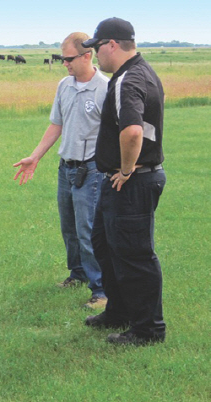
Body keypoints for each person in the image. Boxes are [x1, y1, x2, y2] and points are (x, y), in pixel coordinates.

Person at [81, 17, 167, 345]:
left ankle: (148, 331)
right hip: (125, 180)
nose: (96, 54)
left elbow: (133, 131)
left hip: (132, 182)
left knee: (134, 255)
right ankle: (118, 312)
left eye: (97, 47)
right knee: (106, 247)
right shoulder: (142, 71)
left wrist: (127, 170)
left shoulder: (127, 80)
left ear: (112, 45)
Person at [13, 32, 109, 309]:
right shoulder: (64, 86)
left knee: (88, 231)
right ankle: (77, 274)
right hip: (65, 169)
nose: (64, 64)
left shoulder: (106, 88)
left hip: (91, 170)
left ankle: (101, 291)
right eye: (61, 58)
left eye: (68, 59)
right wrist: (35, 157)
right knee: (69, 229)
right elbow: (57, 124)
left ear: (87, 55)